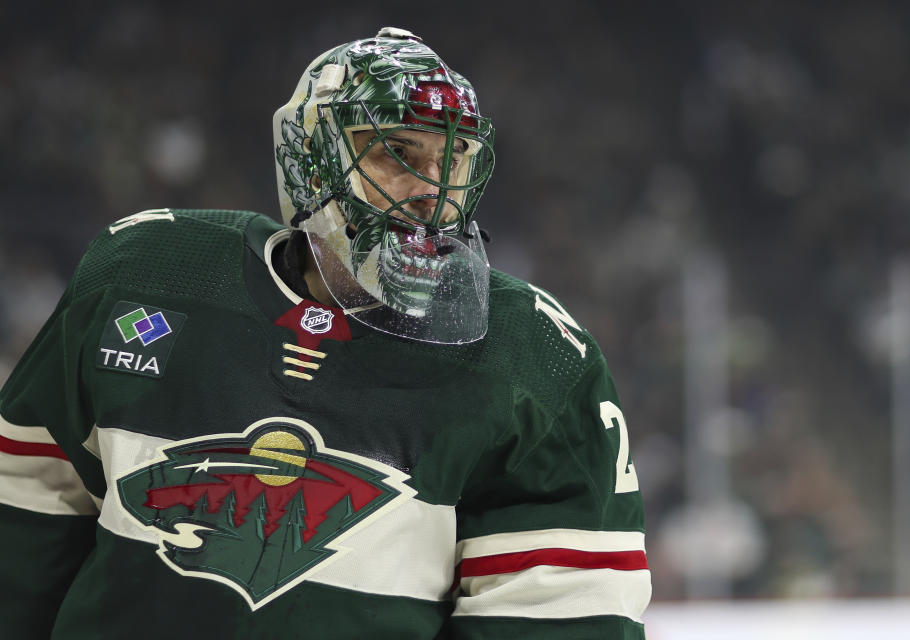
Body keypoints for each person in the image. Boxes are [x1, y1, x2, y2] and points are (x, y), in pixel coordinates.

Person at [0, 27, 651, 638]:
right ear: (311, 158)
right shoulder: (146, 273)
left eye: (455, 158)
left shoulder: (539, 359)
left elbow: (562, 617)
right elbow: (25, 523)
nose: (433, 191)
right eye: (398, 152)